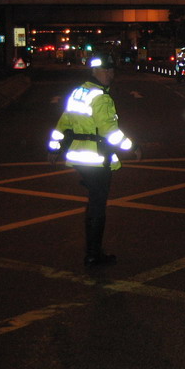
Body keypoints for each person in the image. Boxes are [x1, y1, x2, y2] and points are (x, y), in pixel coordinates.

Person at [48, 55, 141, 268]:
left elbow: (63, 122)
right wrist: (132, 147)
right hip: (97, 160)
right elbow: (110, 131)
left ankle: (93, 250)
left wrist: (53, 148)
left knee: (93, 205)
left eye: (111, 71)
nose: (110, 74)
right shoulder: (101, 97)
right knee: (98, 207)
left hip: (80, 158)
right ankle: (93, 255)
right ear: (94, 72)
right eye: (105, 71)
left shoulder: (78, 92)